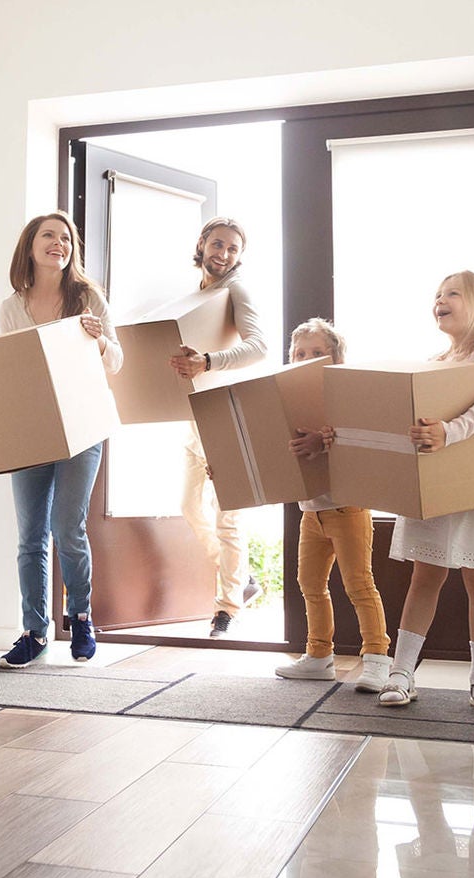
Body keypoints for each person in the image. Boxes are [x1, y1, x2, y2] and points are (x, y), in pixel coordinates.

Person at [378, 271, 474, 716]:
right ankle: (401, 672)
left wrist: (450, 431)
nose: (440, 300)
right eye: (437, 295)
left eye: (452, 293)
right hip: (435, 475)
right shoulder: (435, 361)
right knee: (426, 573)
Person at [0, 211, 122, 667]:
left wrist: (101, 341)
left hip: (83, 424)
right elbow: (11, 369)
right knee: (30, 535)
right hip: (32, 427)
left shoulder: (87, 297)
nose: (59, 243)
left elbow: (118, 361)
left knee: (67, 527)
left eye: (65, 237)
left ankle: (81, 618)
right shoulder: (13, 306)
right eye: (48, 236)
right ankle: (34, 631)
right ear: (30, 246)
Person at [274, 318, 392, 691]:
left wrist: (323, 441)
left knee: (359, 584)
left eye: (317, 353)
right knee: (309, 583)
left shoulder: (345, 395)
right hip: (312, 511)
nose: (306, 359)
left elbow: (358, 439)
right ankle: (319, 656)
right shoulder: (288, 400)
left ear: (335, 359)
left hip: (348, 507)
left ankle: (376, 658)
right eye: (300, 353)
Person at [168, 217, 267, 637]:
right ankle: (242, 582)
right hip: (195, 416)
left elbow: (259, 346)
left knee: (228, 518)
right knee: (190, 506)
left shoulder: (236, 289)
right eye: (218, 244)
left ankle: (227, 606)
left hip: (227, 414)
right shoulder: (196, 295)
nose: (223, 254)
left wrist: (208, 361)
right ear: (202, 244)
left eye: (232, 248)